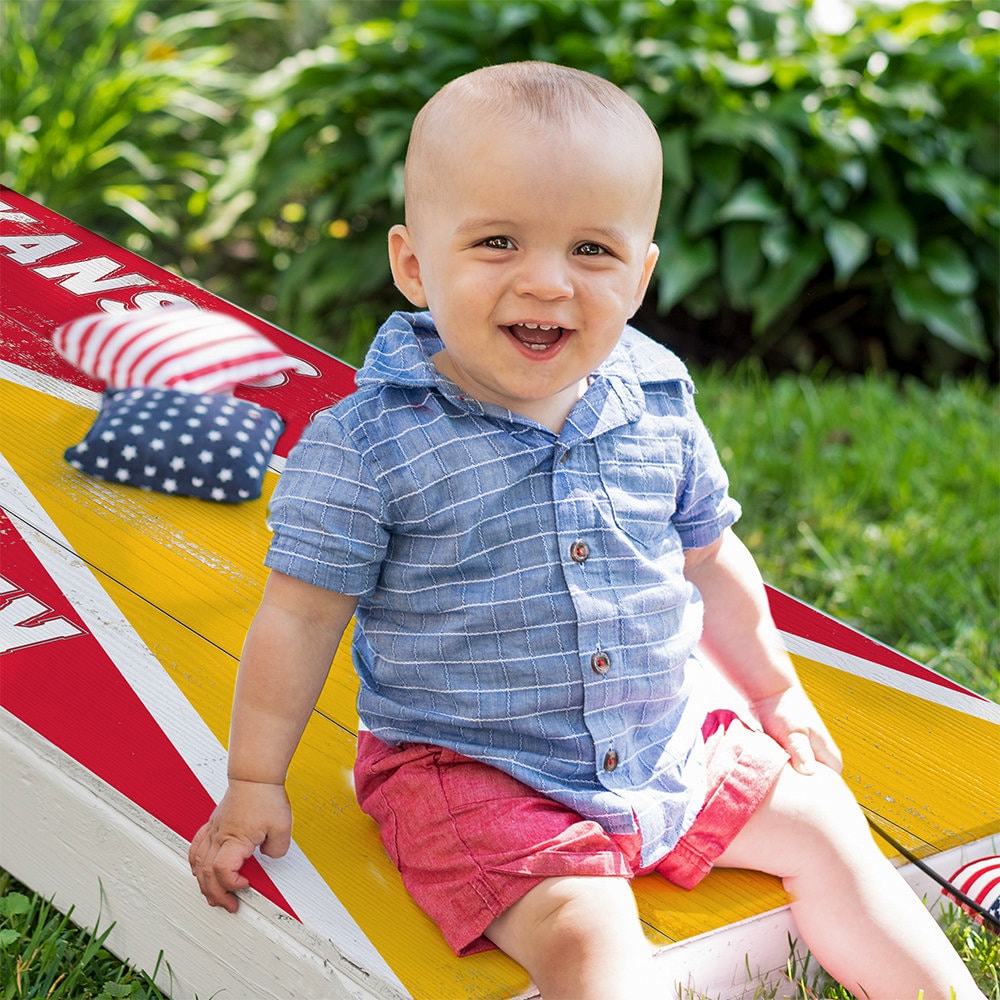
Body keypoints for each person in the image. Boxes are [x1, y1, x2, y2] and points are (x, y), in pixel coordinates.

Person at [189, 62, 983, 1000]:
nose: (547, 281)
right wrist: (253, 781)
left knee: (827, 826)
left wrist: (774, 690)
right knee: (587, 936)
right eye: (496, 240)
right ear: (413, 264)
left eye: (592, 252)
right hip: (477, 772)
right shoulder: (372, 444)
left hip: (663, 743)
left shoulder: (657, 398)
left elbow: (709, 553)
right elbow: (300, 615)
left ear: (641, 275)